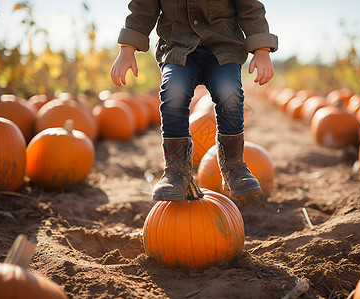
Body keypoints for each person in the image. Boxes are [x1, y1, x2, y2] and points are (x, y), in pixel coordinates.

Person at [110, 0, 278, 201]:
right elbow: (143, 8)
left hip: (224, 48)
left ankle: (234, 166)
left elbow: (250, 8)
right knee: (174, 93)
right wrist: (127, 49)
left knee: (230, 94)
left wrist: (262, 50)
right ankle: (176, 171)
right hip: (177, 48)